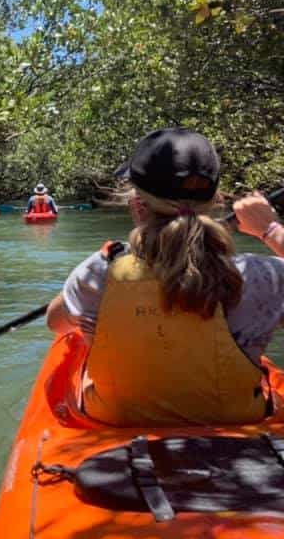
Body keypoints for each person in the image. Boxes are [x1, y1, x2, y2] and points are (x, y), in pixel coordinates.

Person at [46, 127, 284, 426]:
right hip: (237, 424)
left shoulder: (97, 272)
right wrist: (270, 229)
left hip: (115, 422)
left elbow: (56, 324)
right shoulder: (264, 276)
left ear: (137, 205)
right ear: (216, 201)